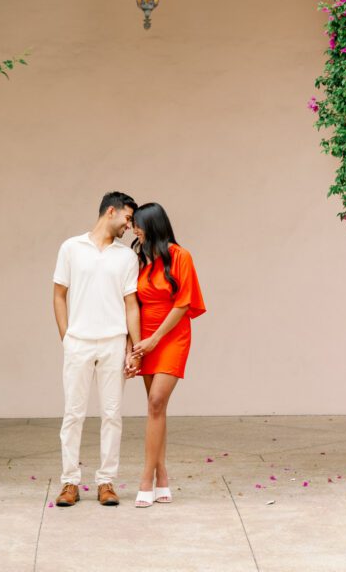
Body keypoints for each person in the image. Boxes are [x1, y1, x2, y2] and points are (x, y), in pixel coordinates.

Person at [52, 191, 141, 507]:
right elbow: (59, 294)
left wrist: (133, 348)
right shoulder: (71, 248)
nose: (129, 226)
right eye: (128, 218)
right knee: (73, 414)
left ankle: (106, 481)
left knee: (112, 414)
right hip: (79, 342)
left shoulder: (127, 258)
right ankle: (69, 482)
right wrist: (67, 337)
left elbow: (131, 304)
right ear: (111, 212)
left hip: (114, 342)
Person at [130, 202, 206, 508]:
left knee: (156, 402)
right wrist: (134, 345)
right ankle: (163, 476)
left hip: (170, 336)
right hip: (144, 337)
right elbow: (132, 304)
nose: (133, 230)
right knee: (155, 410)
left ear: (151, 224)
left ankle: (146, 479)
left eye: (137, 224)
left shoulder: (180, 256)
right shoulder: (141, 259)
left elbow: (183, 304)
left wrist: (154, 340)